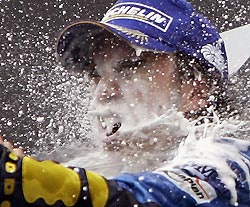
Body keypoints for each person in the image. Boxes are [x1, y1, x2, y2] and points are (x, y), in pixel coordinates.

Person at [0, 0, 249, 206]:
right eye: (96, 76)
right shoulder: (79, 164)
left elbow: (146, 199)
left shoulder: (233, 164)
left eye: (129, 67)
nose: (102, 94)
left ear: (196, 88)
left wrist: (19, 179)